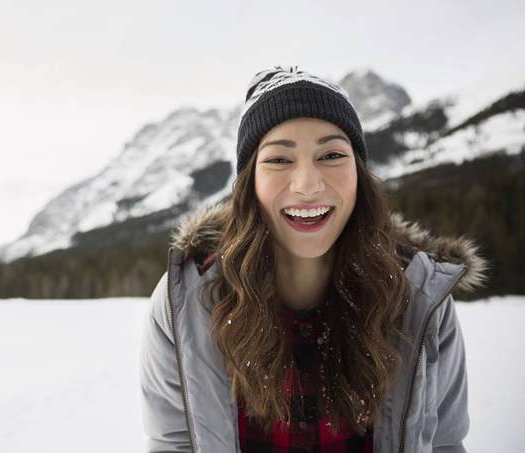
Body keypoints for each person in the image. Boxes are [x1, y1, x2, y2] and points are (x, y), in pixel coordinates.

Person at [139, 66, 488, 452]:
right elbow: (174, 444)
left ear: (359, 175)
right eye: (279, 160)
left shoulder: (421, 297)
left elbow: (443, 444)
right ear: (249, 183)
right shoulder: (187, 301)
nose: (307, 184)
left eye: (332, 154)